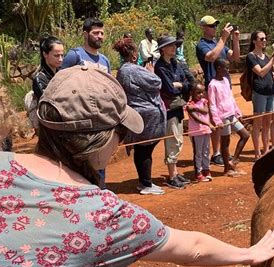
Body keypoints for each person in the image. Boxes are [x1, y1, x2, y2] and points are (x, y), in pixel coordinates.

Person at [0, 66, 274, 267]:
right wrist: (248, 253)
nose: (121, 144)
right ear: (101, 139)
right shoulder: (101, 213)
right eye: (120, 134)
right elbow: (193, 248)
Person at [61, 17, 111, 189]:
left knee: (101, 158)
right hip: (80, 119)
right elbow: (61, 83)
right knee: (82, 160)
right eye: (95, 33)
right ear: (85, 34)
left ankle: (101, 191)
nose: (100, 36)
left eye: (102, 33)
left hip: (102, 119)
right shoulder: (74, 56)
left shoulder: (105, 60)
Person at [114, 37, 166, 195]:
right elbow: (156, 82)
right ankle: (145, 183)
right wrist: (151, 72)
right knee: (145, 148)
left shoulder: (123, 70)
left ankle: (144, 181)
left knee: (142, 148)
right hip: (147, 114)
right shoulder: (133, 70)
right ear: (134, 56)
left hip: (137, 113)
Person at [196, 15, 240, 167]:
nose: (214, 28)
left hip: (225, 85)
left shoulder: (217, 42)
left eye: (215, 25)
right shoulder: (202, 45)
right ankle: (216, 153)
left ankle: (222, 151)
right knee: (216, 120)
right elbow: (211, 57)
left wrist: (234, 39)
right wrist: (223, 38)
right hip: (213, 86)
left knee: (225, 118)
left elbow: (235, 57)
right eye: (211, 25)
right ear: (203, 28)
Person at [155, 36, 192, 189]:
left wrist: (179, 85)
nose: (173, 47)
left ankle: (175, 173)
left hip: (178, 105)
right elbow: (169, 88)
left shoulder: (175, 63)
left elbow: (189, 82)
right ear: (162, 49)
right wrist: (180, 85)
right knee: (173, 140)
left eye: (174, 45)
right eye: (170, 45)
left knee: (179, 139)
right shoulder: (160, 66)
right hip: (169, 107)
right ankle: (171, 176)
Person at [209, 58, 250, 177]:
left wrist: (238, 112)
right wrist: (217, 120)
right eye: (226, 68)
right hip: (222, 117)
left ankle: (234, 160)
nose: (228, 70)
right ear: (218, 68)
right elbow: (212, 104)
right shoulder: (213, 85)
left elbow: (231, 98)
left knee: (245, 135)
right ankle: (227, 168)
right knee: (225, 142)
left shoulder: (226, 80)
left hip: (231, 114)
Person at [247, 30, 274, 160]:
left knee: (267, 123)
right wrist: (273, 59)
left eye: (265, 39)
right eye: (261, 39)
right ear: (254, 41)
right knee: (258, 123)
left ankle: (266, 151)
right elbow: (261, 72)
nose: (264, 41)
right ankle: (257, 153)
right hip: (259, 93)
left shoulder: (266, 56)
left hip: (270, 92)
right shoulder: (251, 56)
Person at [29, 36, 64, 132]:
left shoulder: (62, 73)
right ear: (45, 54)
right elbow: (48, 102)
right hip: (48, 125)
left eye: (62, 55)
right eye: (56, 55)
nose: (60, 59)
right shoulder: (40, 78)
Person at [186, 83, 215, 182]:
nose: (201, 95)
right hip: (196, 132)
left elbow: (206, 111)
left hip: (205, 131)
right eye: (198, 93)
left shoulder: (203, 101)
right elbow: (196, 118)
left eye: (202, 92)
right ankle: (198, 172)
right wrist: (208, 124)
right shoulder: (189, 105)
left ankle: (206, 169)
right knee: (198, 153)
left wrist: (197, 108)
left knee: (206, 151)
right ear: (192, 93)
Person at [176, 30, 195, 101]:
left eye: (183, 36)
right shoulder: (176, 44)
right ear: (177, 36)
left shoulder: (182, 43)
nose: (183, 37)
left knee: (188, 79)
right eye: (181, 36)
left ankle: (188, 95)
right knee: (190, 78)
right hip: (179, 63)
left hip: (183, 62)